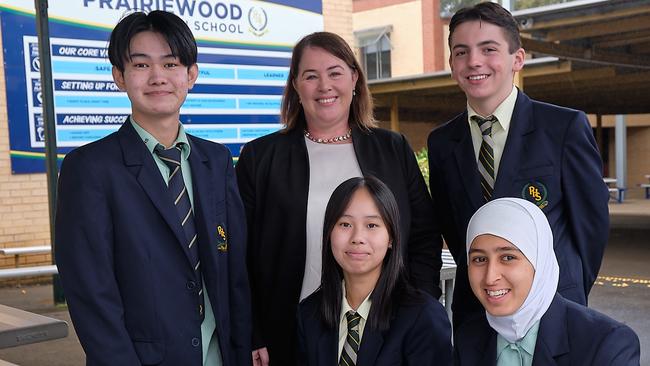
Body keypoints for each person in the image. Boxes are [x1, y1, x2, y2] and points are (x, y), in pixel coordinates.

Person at [55, 11, 251, 366]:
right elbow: (91, 293)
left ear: (191, 74)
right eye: (141, 65)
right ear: (119, 76)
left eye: (171, 63)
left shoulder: (216, 161)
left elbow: (233, 271)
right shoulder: (89, 169)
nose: (158, 77)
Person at [236, 32, 442, 366]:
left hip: (385, 332)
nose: (324, 86)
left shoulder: (393, 149)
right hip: (286, 333)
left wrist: (418, 311)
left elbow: (423, 237)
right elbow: (237, 255)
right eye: (311, 76)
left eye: (334, 72)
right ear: (296, 86)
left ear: (355, 79)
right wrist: (252, 330)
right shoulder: (261, 157)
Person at [427, 2, 609, 329]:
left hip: (554, 307)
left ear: (518, 59)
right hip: (477, 313)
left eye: (489, 49)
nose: (474, 61)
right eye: (461, 52)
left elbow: (591, 228)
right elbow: (455, 231)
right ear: (452, 64)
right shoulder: (441, 143)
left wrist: (567, 288)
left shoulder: (563, 128)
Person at [455, 197, 640, 365]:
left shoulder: (606, 344)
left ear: (540, 261)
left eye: (508, 257)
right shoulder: (469, 338)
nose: (490, 277)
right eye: (479, 259)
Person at [297, 176, 452, 365]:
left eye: (372, 225)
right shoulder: (309, 313)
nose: (357, 238)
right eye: (345, 224)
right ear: (329, 233)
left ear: (391, 238)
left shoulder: (424, 316)